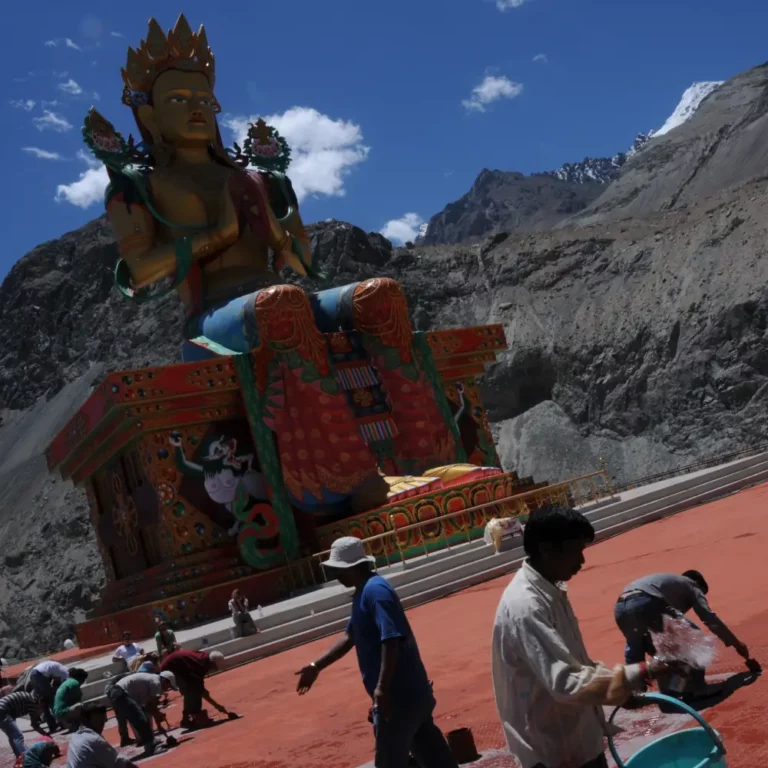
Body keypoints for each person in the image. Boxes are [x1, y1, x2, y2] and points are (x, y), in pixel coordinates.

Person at [491, 504, 683, 768]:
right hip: (554, 752)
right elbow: (567, 681)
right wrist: (644, 670)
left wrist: (619, 689)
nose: (582, 562)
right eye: (576, 552)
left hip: (577, 739)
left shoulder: (550, 590)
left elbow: (577, 665)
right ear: (547, 549)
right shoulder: (526, 606)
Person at [296, 536, 458, 768]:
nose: (335, 575)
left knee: (390, 761)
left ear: (352, 567)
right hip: (412, 693)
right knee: (432, 753)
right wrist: (316, 666)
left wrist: (382, 689)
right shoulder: (365, 592)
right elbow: (350, 635)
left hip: (398, 698)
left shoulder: (376, 592)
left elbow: (391, 639)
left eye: (338, 569)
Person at [614, 570, 752, 666]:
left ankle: (635, 691)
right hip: (646, 602)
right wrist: (736, 644)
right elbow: (709, 618)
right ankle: (696, 688)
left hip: (620, 607)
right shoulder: (691, 584)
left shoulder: (669, 585)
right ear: (698, 584)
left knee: (637, 647)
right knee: (692, 637)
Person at [106, 671, 176, 755]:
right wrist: (158, 716)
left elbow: (148, 707)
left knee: (134, 716)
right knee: (141, 719)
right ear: (165, 680)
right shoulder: (156, 682)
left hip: (115, 692)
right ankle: (152, 747)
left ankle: (127, 738)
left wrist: (159, 723)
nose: (167, 689)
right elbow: (152, 707)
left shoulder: (150, 679)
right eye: (168, 686)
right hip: (120, 692)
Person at [159, 649, 230, 729]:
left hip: (179, 667)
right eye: (214, 668)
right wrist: (217, 706)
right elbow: (201, 690)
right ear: (211, 663)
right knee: (192, 690)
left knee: (194, 689)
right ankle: (188, 720)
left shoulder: (203, 660)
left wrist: (217, 705)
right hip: (170, 668)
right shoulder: (199, 664)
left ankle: (192, 717)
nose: (213, 670)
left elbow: (200, 688)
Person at [67, 702, 139, 768]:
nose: (103, 724)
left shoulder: (74, 738)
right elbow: (120, 763)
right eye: (101, 722)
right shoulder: (94, 740)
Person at [0, 690, 46, 758]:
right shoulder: (33, 703)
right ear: (40, 702)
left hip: (5, 710)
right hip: (3, 710)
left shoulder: (30, 699)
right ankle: (25, 758)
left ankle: (19, 757)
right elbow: (34, 725)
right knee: (17, 736)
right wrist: (47, 736)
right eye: (43, 707)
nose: (42, 711)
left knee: (13, 737)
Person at [29, 661, 69, 733]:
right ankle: (62, 722)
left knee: (45, 702)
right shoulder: (66, 673)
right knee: (51, 700)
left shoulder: (58, 668)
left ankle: (52, 726)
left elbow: (55, 683)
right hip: (39, 675)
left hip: (33, 674)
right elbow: (65, 685)